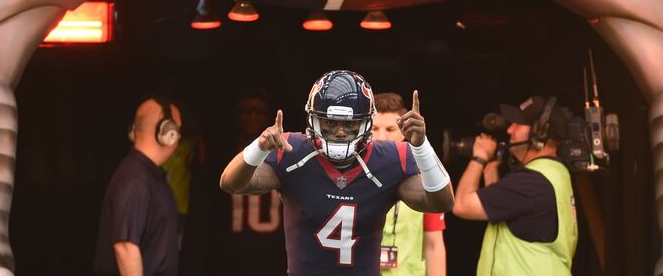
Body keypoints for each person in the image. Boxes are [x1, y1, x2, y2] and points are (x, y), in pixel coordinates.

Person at [220, 70, 455, 275]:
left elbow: (441, 202)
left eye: (350, 124)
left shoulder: (391, 157)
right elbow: (231, 183)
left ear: (365, 123)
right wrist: (259, 147)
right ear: (313, 120)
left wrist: (421, 146)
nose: (340, 132)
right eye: (330, 123)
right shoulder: (292, 151)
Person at [452, 96, 578, 276]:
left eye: (518, 125)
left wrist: (479, 157)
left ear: (539, 133)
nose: (510, 130)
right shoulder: (553, 174)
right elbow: (504, 210)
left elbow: (462, 205)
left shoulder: (531, 182)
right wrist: (490, 170)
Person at [179, 90, 287, 274]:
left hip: (272, 255)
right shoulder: (220, 158)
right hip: (230, 255)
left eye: (258, 111)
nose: (252, 116)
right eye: (246, 111)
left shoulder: (285, 155)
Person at [95, 94, 183, 276]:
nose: (179, 137)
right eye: (178, 129)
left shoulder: (144, 176)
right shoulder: (136, 181)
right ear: (167, 132)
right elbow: (125, 247)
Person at [372, 92, 447, 276]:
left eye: (390, 129)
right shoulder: (350, 174)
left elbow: (433, 244)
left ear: (403, 131)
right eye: (374, 128)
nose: (381, 136)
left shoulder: (424, 176)